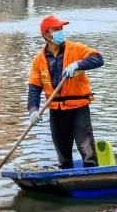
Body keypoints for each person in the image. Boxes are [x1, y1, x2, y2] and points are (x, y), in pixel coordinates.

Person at [27, 15, 104, 169]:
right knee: (63, 156)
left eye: (61, 29)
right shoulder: (39, 60)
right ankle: (66, 179)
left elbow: (98, 59)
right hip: (56, 111)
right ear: (46, 35)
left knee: (87, 149)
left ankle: (92, 175)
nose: (60, 32)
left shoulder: (76, 49)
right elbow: (34, 89)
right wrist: (33, 110)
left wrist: (78, 64)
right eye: (56, 29)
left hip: (78, 107)